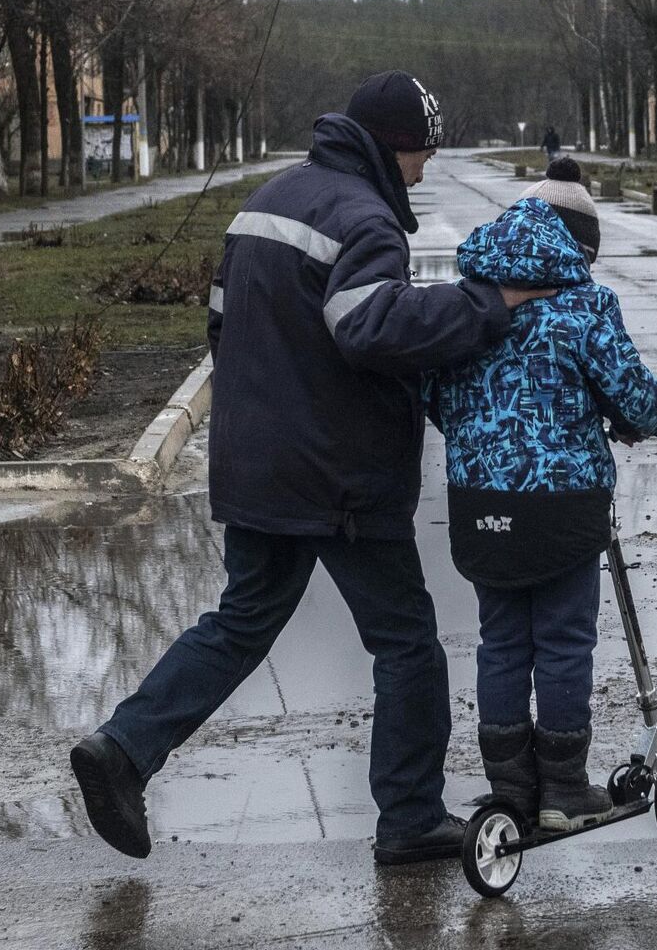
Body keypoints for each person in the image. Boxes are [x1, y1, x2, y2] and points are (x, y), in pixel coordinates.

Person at [70, 72, 551, 867]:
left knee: (239, 623)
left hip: (259, 462)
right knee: (407, 645)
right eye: (424, 157)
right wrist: (487, 306)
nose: (426, 172)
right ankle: (409, 820)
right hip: (336, 475)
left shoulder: (270, 199)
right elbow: (368, 325)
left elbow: (222, 324)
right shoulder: (364, 218)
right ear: (397, 149)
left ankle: (122, 749)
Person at [432, 160, 657, 834]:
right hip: (563, 506)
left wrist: (481, 436)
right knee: (562, 642)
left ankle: (509, 790)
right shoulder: (585, 305)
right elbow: (639, 402)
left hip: (481, 505)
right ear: (580, 249)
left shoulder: (469, 300)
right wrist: (618, 419)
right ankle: (564, 788)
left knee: (501, 641)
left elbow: (435, 394)